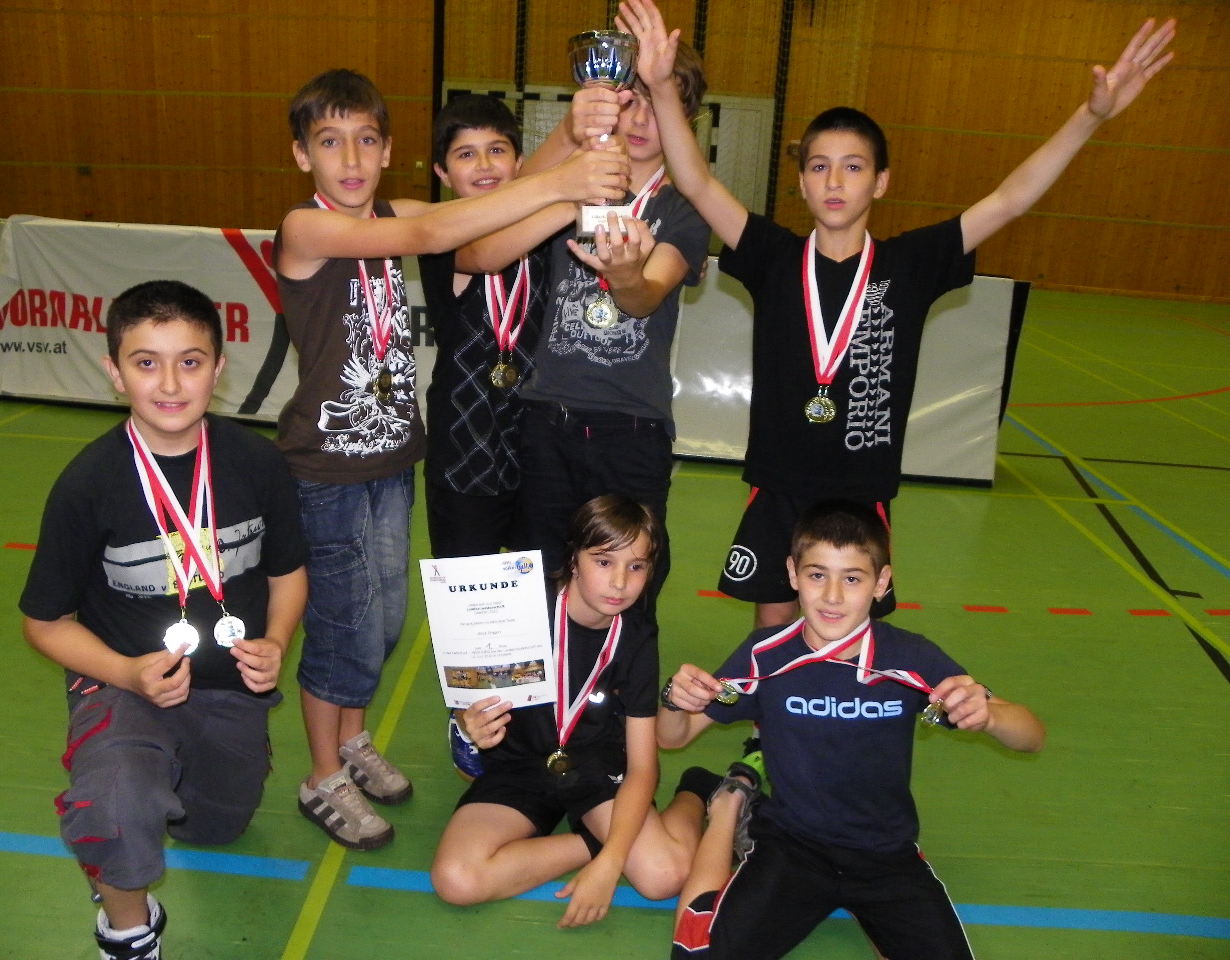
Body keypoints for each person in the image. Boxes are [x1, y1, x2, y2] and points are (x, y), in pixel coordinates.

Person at [618, 0, 1175, 629]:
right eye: (819, 167)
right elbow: (697, 182)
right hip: (779, 482)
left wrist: (1089, 116)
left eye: (853, 167)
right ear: (801, 182)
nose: (835, 181)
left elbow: (1010, 199)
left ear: (880, 182)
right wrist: (661, 87)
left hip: (862, 489)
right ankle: (770, 701)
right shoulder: (773, 255)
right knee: (773, 635)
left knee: (848, 637)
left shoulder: (911, 264)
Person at [275, 69, 629, 850]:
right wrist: (569, 185)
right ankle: (322, 774)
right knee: (342, 630)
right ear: (303, 156)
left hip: (393, 459)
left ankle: (354, 741)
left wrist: (570, 134)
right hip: (327, 469)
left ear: (388, 150)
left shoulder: (394, 209)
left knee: (383, 621)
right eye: (330, 142)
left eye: (366, 140)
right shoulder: (307, 227)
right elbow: (438, 237)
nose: (351, 158)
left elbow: (493, 196)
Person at [19, 279, 310, 960]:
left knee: (215, 828)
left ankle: (172, 778)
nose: (171, 383)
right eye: (146, 362)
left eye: (191, 361)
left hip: (229, 689)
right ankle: (127, 926)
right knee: (116, 807)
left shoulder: (257, 461)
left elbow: (287, 573)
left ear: (218, 367)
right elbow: (45, 622)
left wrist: (276, 641)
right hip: (122, 684)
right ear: (115, 373)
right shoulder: (88, 482)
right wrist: (126, 673)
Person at [657, 500, 1046, 959]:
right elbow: (673, 736)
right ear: (792, 573)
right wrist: (675, 699)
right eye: (817, 575)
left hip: (884, 855)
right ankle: (729, 802)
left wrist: (991, 716)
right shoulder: (766, 654)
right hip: (793, 848)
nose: (832, 596)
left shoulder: (910, 658)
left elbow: (1032, 736)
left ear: (881, 583)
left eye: (853, 579)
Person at [454, 40, 713, 620]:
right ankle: (540, 684)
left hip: (633, 427)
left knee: (630, 588)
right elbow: (484, 241)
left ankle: (624, 682)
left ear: (685, 118)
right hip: (547, 418)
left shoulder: (685, 209)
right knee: (539, 582)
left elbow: (647, 296)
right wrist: (571, 150)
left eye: (658, 106)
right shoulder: (569, 184)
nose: (640, 120)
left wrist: (625, 277)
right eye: (629, 101)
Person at [430, 495, 711, 929]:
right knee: (457, 880)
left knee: (663, 877)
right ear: (574, 558)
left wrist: (612, 863)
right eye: (604, 561)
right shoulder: (517, 606)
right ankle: (590, 841)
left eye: (637, 566)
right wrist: (472, 725)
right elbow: (471, 702)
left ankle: (697, 791)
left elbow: (642, 766)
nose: (620, 582)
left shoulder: (637, 636)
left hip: (595, 765)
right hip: (519, 763)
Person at [419, 93, 552, 780]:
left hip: (536, 444)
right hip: (463, 445)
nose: (485, 165)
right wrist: (564, 190)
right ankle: (470, 720)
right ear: (443, 173)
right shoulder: (443, 236)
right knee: (470, 599)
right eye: (466, 155)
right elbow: (488, 250)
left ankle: (539, 718)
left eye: (498, 150)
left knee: (541, 592)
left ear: (519, 161)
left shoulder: (549, 233)